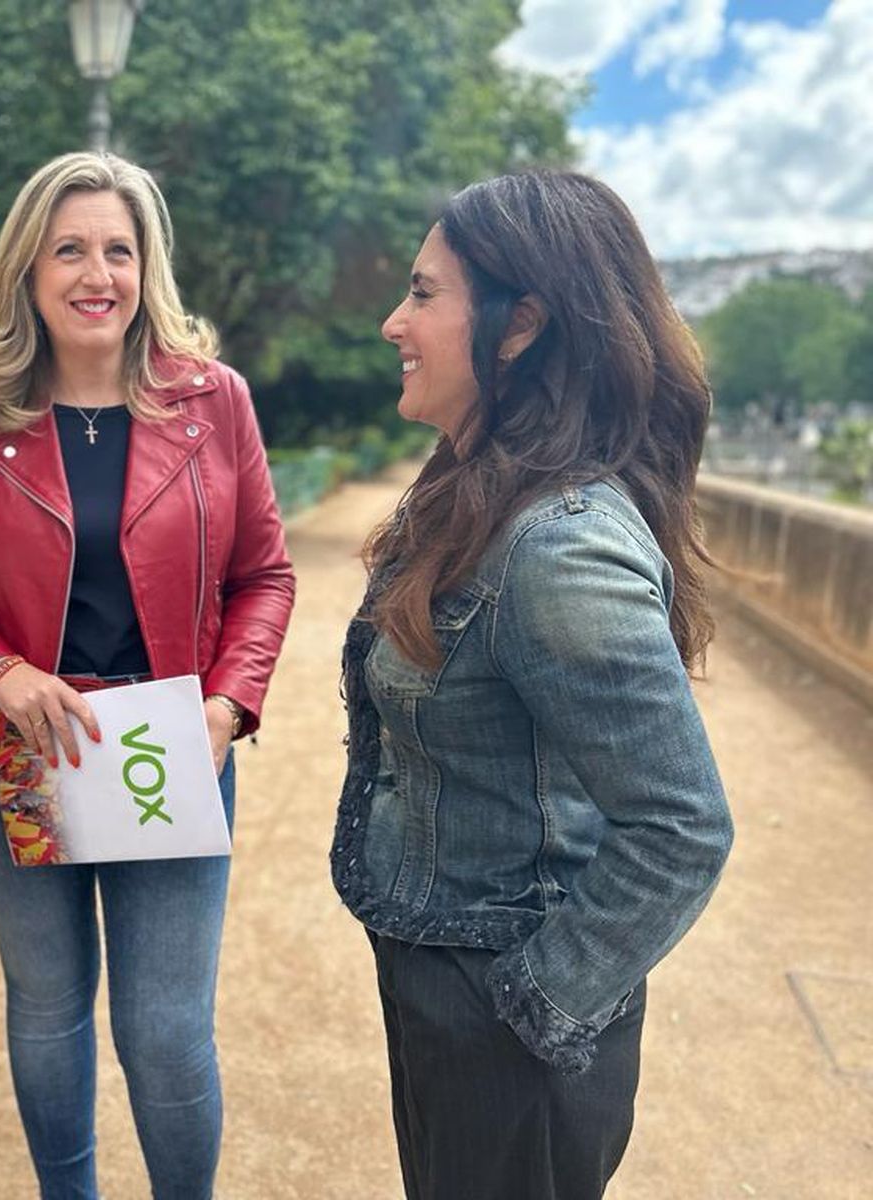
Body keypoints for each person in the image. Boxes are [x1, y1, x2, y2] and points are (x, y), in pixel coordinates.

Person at [0, 151, 294, 1199]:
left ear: (146, 265)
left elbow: (265, 575)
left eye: (119, 249)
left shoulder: (215, 402)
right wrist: (0, 675)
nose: (96, 273)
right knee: (48, 1003)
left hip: (170, 746)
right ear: (28, 270)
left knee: (164, 1030)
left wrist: (225, 707)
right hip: (22, 751)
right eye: (69, 248)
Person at [330, 170, 734, 1200]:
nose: (393, 322)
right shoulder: (471, 492)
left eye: (423, 294)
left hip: (507, 1027)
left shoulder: (556, 548)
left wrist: (531, 1005)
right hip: (450, 990)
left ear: (518, 329)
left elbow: (681, 826)